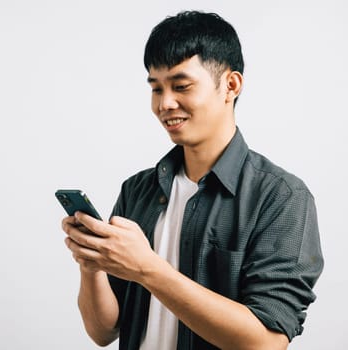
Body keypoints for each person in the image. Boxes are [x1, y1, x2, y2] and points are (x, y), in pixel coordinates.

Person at [61, 10, 323, 350]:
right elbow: (103, 332)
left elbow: (265, 343)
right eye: (156, 89)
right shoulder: (138, 190)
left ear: (230, 85)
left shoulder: (282, 197)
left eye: (181, 86)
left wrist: (147, 268)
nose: (165, 104)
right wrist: (92, 265)